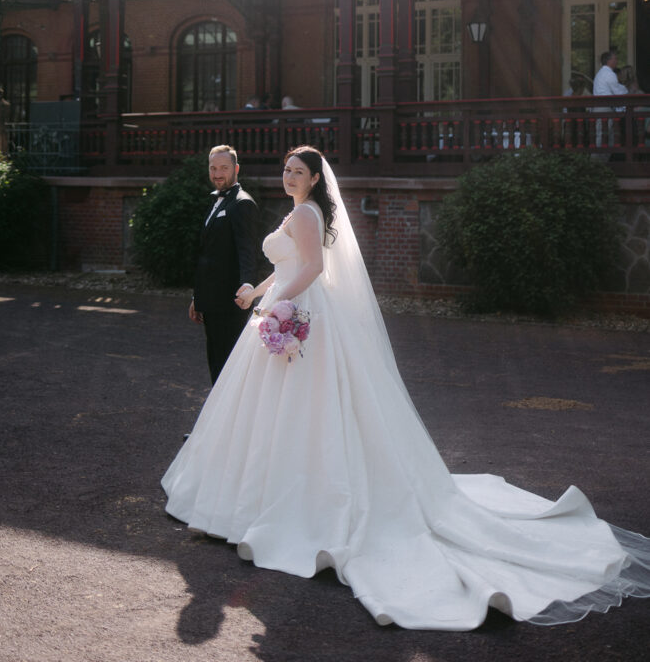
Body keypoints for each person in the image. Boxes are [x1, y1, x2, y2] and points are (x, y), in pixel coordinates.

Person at [163, 146, 650, 630]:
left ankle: (299, 500)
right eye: (286, 170)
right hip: (289, 309)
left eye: (298, 172)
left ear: (315, 179)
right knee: (275, 411)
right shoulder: (298, 212)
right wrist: (258, 292)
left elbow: (310, 270)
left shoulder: (307, 214)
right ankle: (264, 491)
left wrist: (276, 304)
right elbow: (289, 267)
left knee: (309, 411)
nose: (289, 177)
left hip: (301, 313)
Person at [189, 145, 259, 384]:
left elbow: (247, 252)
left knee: (229, 372)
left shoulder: (242, 204)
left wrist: (248, 286)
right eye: (213, 168)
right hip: (211, 303)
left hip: (231, 305)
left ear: (236, 169)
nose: (218, 174)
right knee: (216, 366)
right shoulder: (215, 201)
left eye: (224, 168)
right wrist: (197, 298)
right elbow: (208, 255)